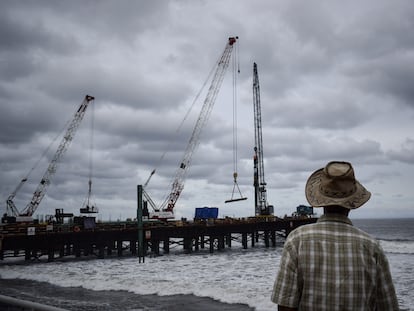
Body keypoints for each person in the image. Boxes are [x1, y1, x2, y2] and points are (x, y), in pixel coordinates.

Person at [271, 161, 399, 310]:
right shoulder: (372, 247)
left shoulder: (297, 240)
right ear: (352, 202)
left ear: (321, 201)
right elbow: (388, 306)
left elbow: (285, 305)